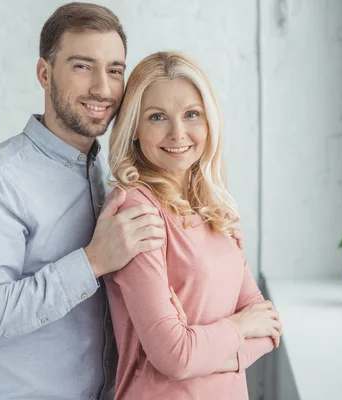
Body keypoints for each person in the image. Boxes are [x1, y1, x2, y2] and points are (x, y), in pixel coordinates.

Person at [0, 3, 168, 399]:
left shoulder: (111, 175)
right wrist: (93, 261)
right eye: (83, 66)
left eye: (115, 70)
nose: (103, 88)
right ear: (44, 74)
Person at [104, 51, 282, 400]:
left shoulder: (214, 209)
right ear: (134, 128)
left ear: (208, 122)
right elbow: (175, 356)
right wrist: (239, 326)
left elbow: (269, 328)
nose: (177, 133)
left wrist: (211, 352)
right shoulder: (138, 211)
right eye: (157, 117)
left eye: (191, 115)